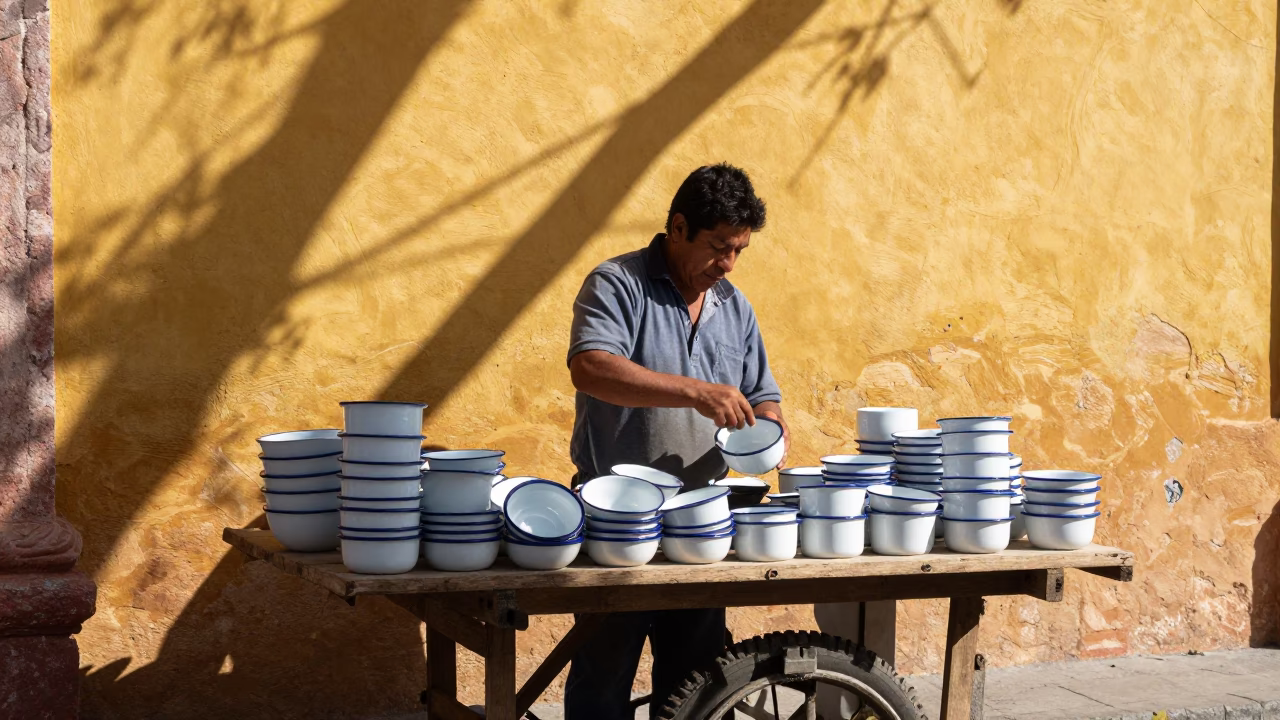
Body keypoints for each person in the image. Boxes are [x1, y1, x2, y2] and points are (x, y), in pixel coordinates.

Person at [563, 163, 788, 720]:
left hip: (701, 525)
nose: (727, 263)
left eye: (738, 250)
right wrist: (694, 392)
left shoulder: (734, 307)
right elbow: (591, 367)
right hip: (615, 523)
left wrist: (772, 430)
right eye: (718, 247)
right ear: (678, 227)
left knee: (697, 681)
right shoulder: (618, 283)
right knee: (603, 675)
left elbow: (764, 395)